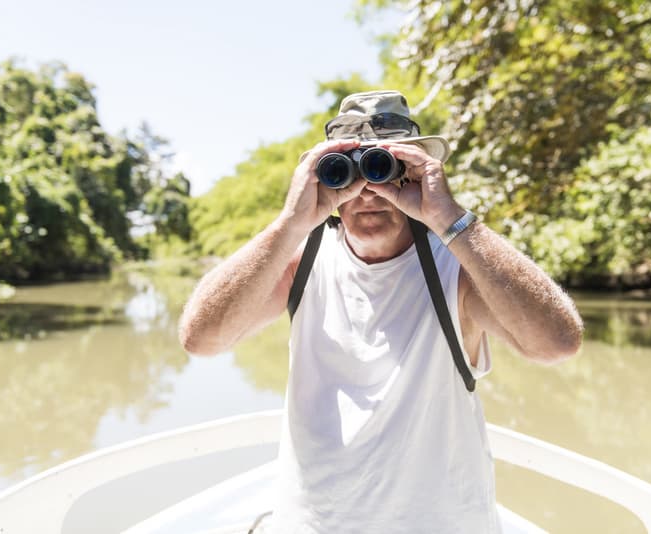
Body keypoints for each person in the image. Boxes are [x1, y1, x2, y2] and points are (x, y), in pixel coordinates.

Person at [178, 90, 583, 533]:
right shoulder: (299, 264)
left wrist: (449, 217)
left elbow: (555, 343)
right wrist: (291, 223)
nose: (368, 192)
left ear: (416, 174)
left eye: (385, 170)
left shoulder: (460, 270)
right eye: (344, 173)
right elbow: (202, 339)